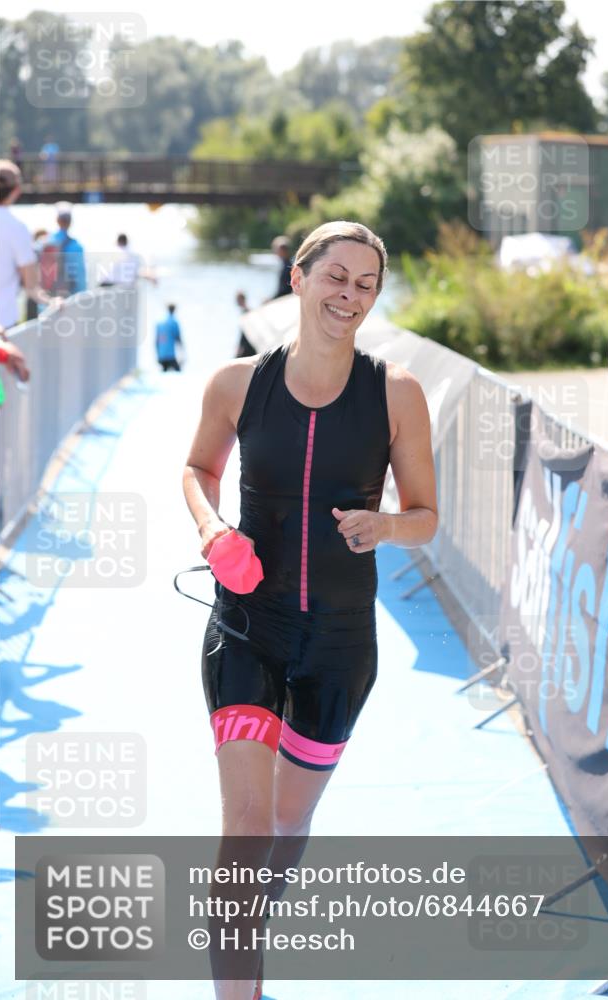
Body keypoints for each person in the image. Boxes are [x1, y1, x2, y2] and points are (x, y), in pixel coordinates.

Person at [182, 220, 438, 1000]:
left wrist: (385, 525)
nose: (349, 295)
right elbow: (197, 468)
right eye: (335, 276)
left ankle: (252, 923)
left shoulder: (394, 392)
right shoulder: (237, 383)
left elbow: (425, 514)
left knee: (287, 830)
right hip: (245, 629)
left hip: (339, 644)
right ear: (296, 278)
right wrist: (213, 529)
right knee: (248, 831)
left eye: (365, 284)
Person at [0, 161, 62, 329]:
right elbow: (31, 286)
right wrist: (52, 301)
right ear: (17, 190)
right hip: (3, 325)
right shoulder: (17, 228)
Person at [46, 202, 87, 297]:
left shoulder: (44, 243)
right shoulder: (76, 246)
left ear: (57, 220)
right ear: (70, 222)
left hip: (48, 299)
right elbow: (80, 280)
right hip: (68, 298)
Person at [155, 304, 183, 371]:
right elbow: (178, 338)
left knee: (164, 373)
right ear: (174, 310)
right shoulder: (174, 322)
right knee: (178, 371)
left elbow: (157, 341)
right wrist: (182, 351)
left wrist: (158, 355)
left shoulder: (160, 323)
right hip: (170, 355)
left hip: (162, 355)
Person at [269, 234, 293, 299]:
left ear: (282, 250)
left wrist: (271, 299)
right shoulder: (287, 264)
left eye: (276, 249)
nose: (275, 251)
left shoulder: (288, 267)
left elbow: (285, 289)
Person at [234, 290, 256, 358]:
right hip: (247, 344)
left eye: (238, 300)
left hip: (249, 345)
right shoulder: (246, 312)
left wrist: (241, 347)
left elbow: (247, 332)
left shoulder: (247, 313)